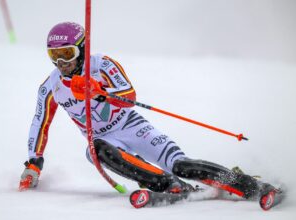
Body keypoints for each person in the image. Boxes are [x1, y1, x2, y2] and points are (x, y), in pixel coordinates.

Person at [19, 22, 278, 206]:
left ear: (82, 48)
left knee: (182, 165)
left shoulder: (103, 65)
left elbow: (129, 96)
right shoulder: (50, 88)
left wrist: (98, 91)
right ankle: (167, 184)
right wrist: (34, 163)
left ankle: (253, 186)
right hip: (102, 139)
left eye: (67, 54)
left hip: (132, 126)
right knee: (94, 149)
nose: (61, 63)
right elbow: (40, 124)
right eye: (55, 55)